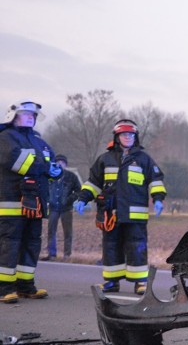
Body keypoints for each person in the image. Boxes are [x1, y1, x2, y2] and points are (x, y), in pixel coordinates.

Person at [74, 119, 167, 295]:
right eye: (124, 134)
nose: (128, 137)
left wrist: (158, 199)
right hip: (111, 213)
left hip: (135, 214)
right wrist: (83, 198)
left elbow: (156, 181)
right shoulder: (105, 159)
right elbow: (94, 183)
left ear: (136, 137)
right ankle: (111, 282)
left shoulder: (143, 159)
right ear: (117, 137)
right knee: (111, 246)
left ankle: (140, 282)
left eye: (131, 134)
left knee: (137, 247)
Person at [0, 101, 61, 304]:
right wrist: (45, 166)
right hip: (11, 202)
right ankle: (4, 288)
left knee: (32, 243)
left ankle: (26, 286)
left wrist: (56, 171)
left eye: (33, 115)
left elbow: (51, 162)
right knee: (10, 243)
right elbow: (18, 163)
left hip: (36, 202)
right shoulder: (6, 137)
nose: (31, 117)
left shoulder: (38, 140)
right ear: (13, 115)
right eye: (26, 113)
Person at [43, 154, 80, 260]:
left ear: (66, 164)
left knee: (68, 232)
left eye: (62, 163)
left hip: (66, 208)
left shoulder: (72, 176)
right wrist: (47, 200)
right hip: (53, 207)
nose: (60, 164)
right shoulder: (49, 176)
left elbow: (79, 190)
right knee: (51, 231)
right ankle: (52, 254)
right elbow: (44, 189)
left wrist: (70, 199)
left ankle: (67, 255)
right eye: (58, 162)